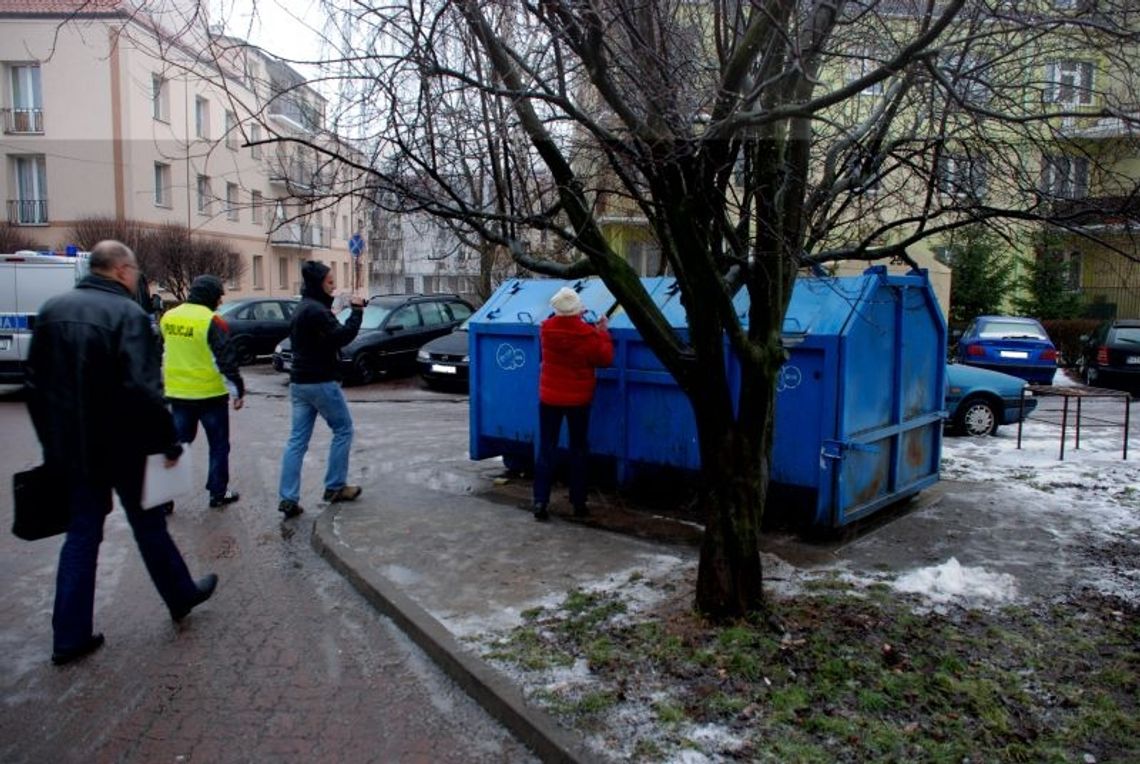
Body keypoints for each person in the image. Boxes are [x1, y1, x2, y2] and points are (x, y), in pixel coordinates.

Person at [26, 240, 218, 666]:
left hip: (74, 450)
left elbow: (34, 386)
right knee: (148, 526)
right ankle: (180, 594)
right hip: (125, 448)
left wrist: (51, 444)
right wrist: (168, 442)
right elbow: (145, 391)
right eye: (133, 271)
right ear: (121, 270)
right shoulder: (129, 315)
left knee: (81, 535)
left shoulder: (52, 310)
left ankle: (69, 637)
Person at [278, 260, 365, 519]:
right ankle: (335, 486)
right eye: (330, 281)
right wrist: (357, 311)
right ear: (318, 283)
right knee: (343, 429)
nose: (334, 285)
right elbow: (341, 337)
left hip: (299, 383)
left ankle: (288, 497)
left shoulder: (303, 308)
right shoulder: (316, 311)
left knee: (297, 441)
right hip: (321, 382)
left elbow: (322, 336)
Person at [160, 275, 245, 509]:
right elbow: (226, 359)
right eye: (218, 297)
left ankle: (164, 498)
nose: (220, 302)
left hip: (178, 394)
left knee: (177, 445)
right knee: (218, 445)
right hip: (210, 396)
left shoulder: (168, 317)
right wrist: (238, 390)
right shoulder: (213, 321)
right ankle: (218, 493)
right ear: (210, 296)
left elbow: (162, 349)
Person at [532, 286, 614, 521]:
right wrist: (602, 331)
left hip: (549, 398)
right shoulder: (587, 334)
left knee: (547, 448)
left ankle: (540, 502)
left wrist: (576, 318)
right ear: (577, 310)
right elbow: (604, 359)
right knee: (578, 450)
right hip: (578, 401)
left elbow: (555, 323)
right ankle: (578, 503)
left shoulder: (546, 331)